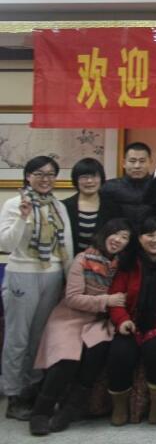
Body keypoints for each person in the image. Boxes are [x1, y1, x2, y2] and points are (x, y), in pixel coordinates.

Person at [28, 219, 131, 436]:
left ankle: (71, 409)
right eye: (115, 234)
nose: (118, 240)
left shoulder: (120, 266)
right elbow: (73, 298)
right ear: (105, 234)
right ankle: (41, 412)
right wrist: (107, 300)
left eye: (124, 237)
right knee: (66, 360)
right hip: (69, 317)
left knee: (95, 354)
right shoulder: (82, 259)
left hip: (99, 321)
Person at [1, 156, 76, 420]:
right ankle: (13, 395)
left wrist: (69, 280)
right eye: (39, 174)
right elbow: (6, 244)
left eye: (50, 174)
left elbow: (66, 245)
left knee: (39, 338)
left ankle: (31, 390)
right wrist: (23, 218)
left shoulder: (58, 206)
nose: (46, 179)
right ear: (28, 176)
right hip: (22, 274)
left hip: (52, 275)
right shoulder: (14, 204)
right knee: (17, 339)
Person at [106, 216, 156, 426]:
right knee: (119, 353)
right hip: (131, 322)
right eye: (149, 235)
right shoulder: (128, 262)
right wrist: (122, 320)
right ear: (140, 238)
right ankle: (119, 407)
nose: (155, 240)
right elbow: (115, 297)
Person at [100, 142, 156, 223]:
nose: (137, 166)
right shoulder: (110, 187)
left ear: (150, 162)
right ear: (124, 163)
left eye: (142, 161)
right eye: (132, 161)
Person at [62, 158, 119, 256]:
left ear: (101, 178)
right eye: (84, 177)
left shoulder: (113, 207)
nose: (89, 181)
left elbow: (117, 235)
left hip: (103, 261)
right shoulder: (64, 206)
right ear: (76, 180)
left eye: (94, 176)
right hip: (71, 261)